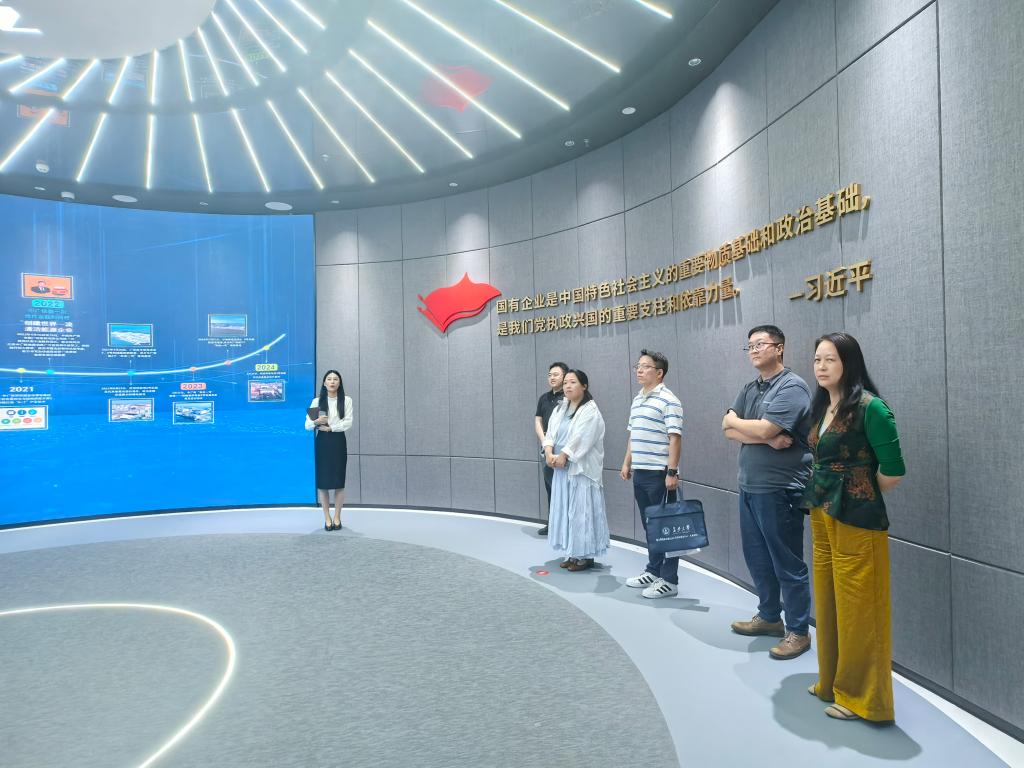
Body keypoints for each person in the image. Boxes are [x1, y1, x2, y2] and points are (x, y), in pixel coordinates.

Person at [801, 332, 905, 722]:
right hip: (822, 511)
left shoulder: (870, 408)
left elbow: (893, 471)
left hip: (858, 517)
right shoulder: (822, 406)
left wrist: (858, 489)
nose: (821, 366)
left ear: (850, 363)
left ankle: (864, 699)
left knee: (861, 606)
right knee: (829, 600)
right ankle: (832, 682)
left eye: (830, 359)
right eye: (817, 359)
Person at [722, 325, 814, 660]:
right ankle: (770, 617)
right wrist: (767, 439)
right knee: (758, 558)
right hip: (749, 485)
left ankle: (798, 631)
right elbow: (727, 429)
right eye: (749, 346)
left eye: (760, 344)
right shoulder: (751, 387)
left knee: (787, 562)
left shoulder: (793, 386)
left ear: (779, 348)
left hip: (780, 488)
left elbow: (763, 427)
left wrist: (751, 427)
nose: (754, 350)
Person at [621, 349, 684, 598]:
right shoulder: (637, 399)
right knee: (650, 526)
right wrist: (627, 462)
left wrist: (672, 472)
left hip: (660, 473)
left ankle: (670, 580)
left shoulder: (669, 400)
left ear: (659, 373)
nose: (639, 370)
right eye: (638, 366)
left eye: (645, 366)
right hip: (641, 472)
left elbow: (675, 438)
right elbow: (633, 434)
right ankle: (653, 570)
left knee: (666, 527)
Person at [543, 370, 609, 571]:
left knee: (582, 512)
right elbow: (550, 433)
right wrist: (549, 452)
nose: (567, 386)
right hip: (561, 468)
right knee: (566, 511)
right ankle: (572, 552)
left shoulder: (590, 411)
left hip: (580, 470)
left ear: (584, 386)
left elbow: (581, 438)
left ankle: (585, 556)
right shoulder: (560, 408)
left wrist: (563, 455)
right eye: (565, 383)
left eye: (573, 382)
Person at [304, 370, 353, 531]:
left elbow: (348, 422)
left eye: (335, 379)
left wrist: (331, 428)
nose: (332, 382)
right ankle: (327, 518)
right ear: (324, 383)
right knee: (323, 483)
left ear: (339, 383)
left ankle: (337, 517)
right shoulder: (317, 401)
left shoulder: (346, 400)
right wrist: (316, 421)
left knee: (339, 482)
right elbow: (307, 425)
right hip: (322, 442)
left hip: (338, 440)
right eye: (329, 379)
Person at [534, 362, 568, 536]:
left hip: (562, 449)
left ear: (565, 376)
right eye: (550, 375)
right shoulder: (544, 398)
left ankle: (565, 527)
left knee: (564, 489)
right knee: (550, 487)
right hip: (546, 448)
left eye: (556, 374)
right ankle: (552, 523)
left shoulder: (569, 398)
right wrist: (544, 441)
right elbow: (538, 420)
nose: (552, 378)